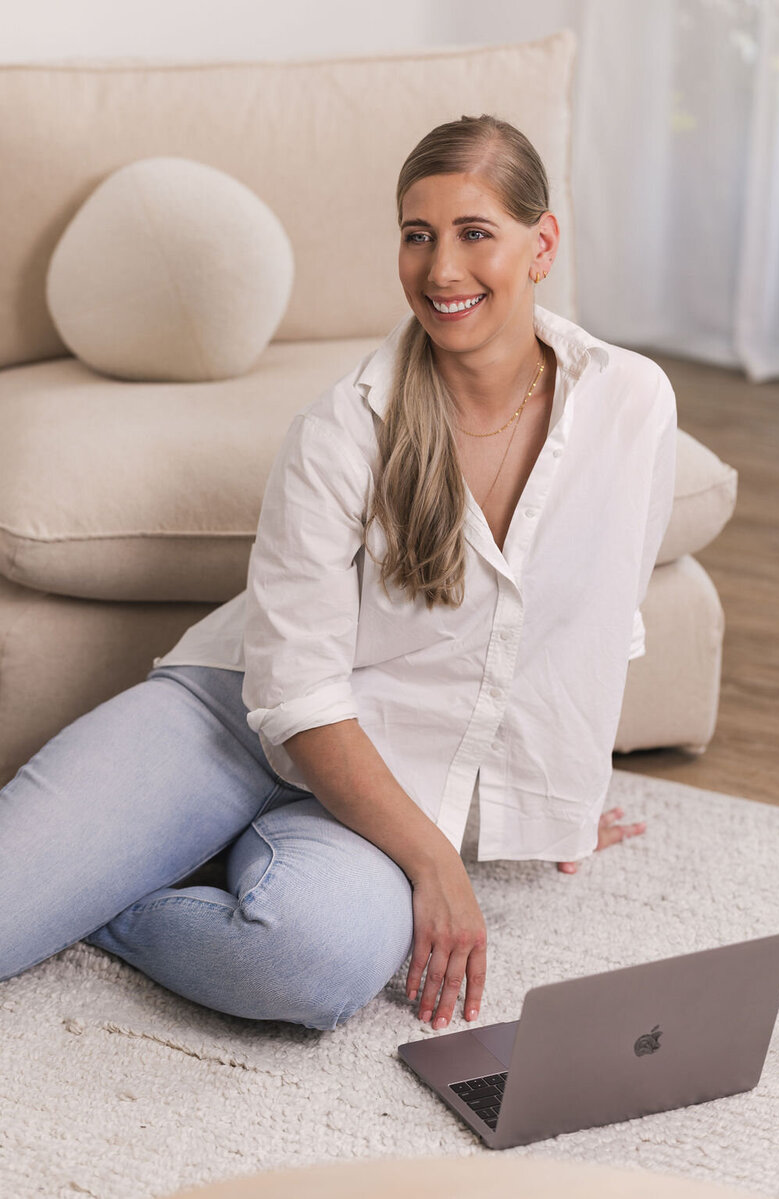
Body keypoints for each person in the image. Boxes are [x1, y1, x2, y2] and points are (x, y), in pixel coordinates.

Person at [0, 114, 676, 1035]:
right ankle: (121, 853)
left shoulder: (629, 402)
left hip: (377, 783)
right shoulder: (343, 427)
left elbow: (601, 615)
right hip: (233, 714)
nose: (442, 270)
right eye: (417, 235)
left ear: (542, 242)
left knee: (313, 964)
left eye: (475, 233)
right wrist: (438, 865)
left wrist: (560, 793)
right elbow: (299, 698)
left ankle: (121, 893)